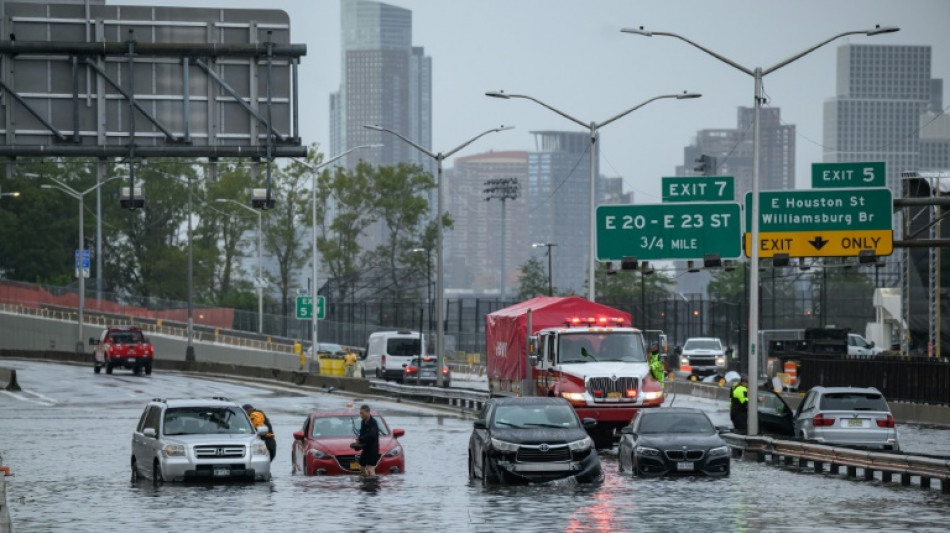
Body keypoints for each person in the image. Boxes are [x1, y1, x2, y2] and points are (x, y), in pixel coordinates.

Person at [355, 404, 380, 478]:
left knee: (370, 468)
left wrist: (361, 439)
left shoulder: (373, 423)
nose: (360, 414)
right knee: (361, 467)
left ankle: (373, 484)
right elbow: (362, 433)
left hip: (373, 449)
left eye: (362, 413)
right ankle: (366, 480)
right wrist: (359, 441)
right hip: (366, 449)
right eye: (360, 413)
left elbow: (371, 435)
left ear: (368, 412)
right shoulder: (363, 422)